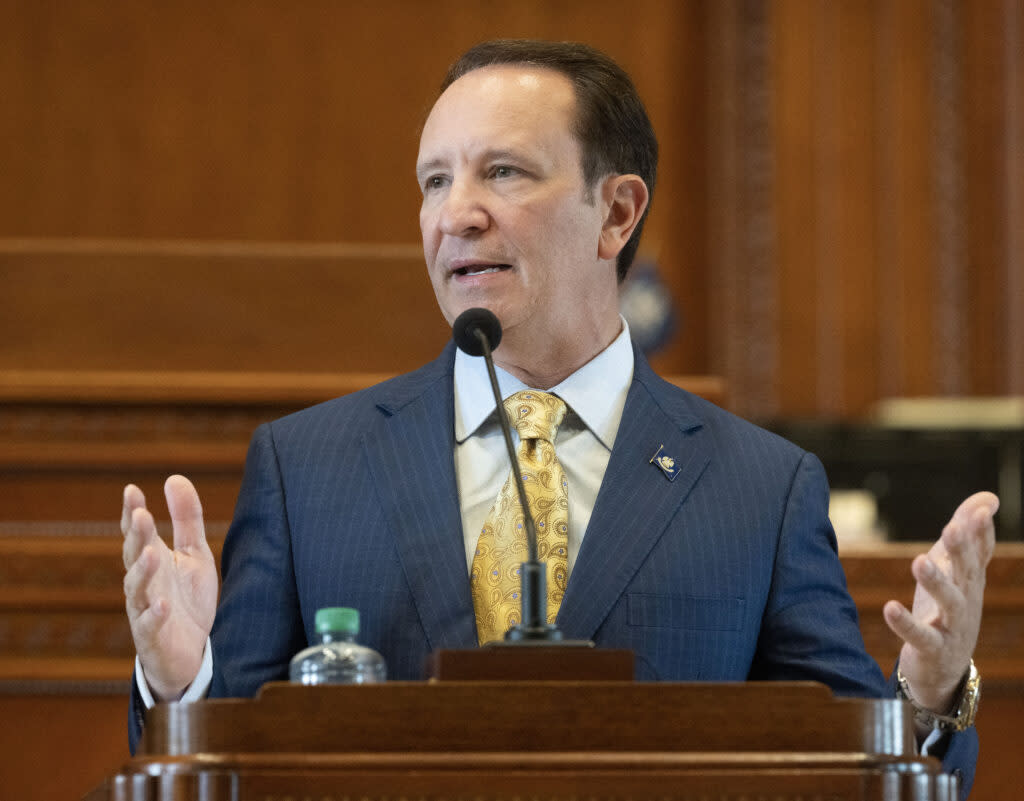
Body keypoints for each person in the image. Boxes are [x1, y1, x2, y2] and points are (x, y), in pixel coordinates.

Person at [121, 39, 997, 796]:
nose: (454, 214)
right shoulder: (307, 465)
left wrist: (926, 699)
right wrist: (185, 682)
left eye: (502, 171)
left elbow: (863, 772)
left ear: (616, 212)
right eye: (434, 180)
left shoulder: (760, 487)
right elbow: (221, 765)